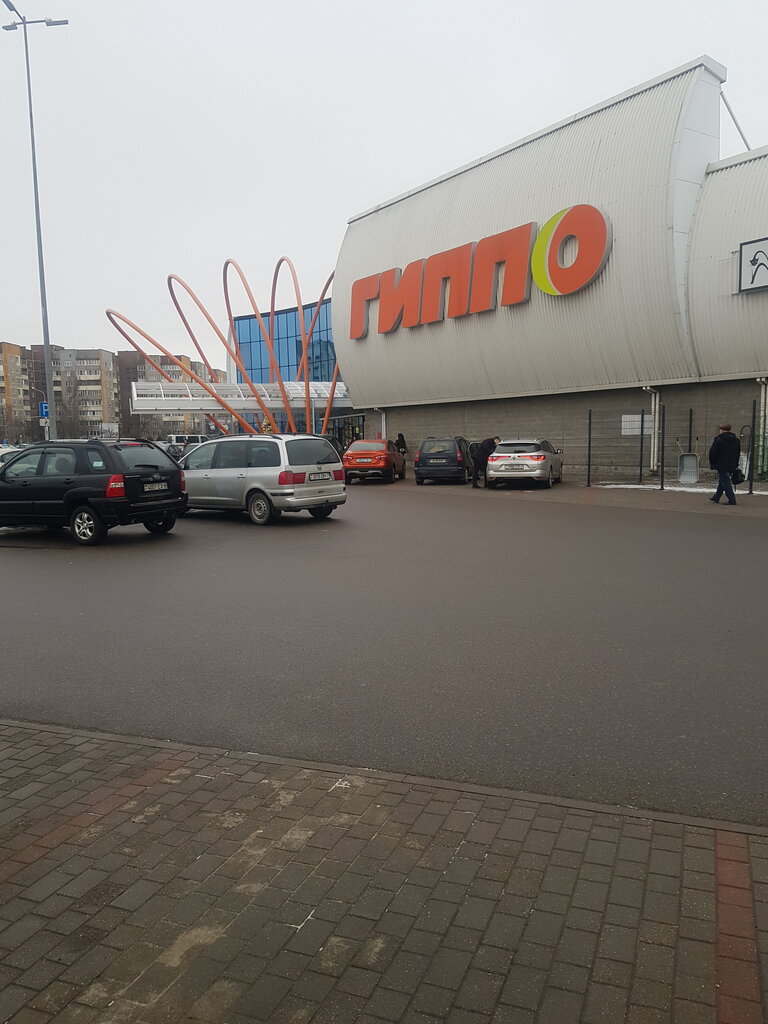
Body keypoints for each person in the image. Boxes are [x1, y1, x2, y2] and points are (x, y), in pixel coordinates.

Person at [708, 423, 741, 505]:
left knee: (725, 482)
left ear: (722, 430)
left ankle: (732, 500)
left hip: (721, 464)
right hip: (732, 464)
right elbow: (737, 453)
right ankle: (716, 497)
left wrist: (713, 462)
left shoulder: (719, 440)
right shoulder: (736, 440)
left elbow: (713, 452)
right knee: (723, 481)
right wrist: (736, 464)